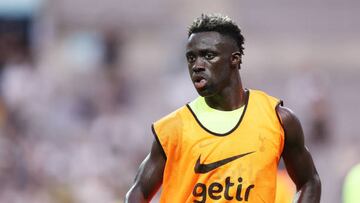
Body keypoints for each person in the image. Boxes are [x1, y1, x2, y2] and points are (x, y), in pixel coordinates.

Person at [125, 13, 321, 203]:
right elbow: (138, 191)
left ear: (234, 59)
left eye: (208, 56)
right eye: (191, 58)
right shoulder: (172, 129)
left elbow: (310, 181)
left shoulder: (278, 120)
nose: (197, 65)